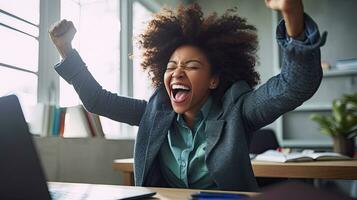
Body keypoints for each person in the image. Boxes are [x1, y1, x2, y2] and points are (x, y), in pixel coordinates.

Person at [49, 0, 326, 191]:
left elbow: (294, 84)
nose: (177, 72)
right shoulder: (153, 113)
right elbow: (97, 100)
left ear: (214, 79)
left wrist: (292, 15)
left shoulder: (239, 110)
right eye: (171, 67)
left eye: (191, 66)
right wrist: (66, 50)